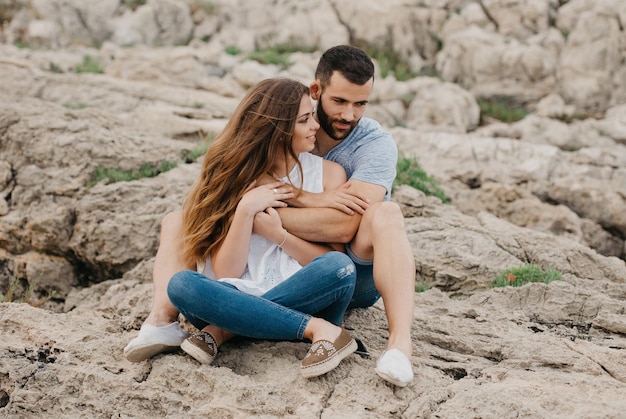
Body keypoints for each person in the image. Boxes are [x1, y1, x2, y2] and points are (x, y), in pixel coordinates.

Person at [124, 45, 416, 387]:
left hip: (344, 272)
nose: (349, 116)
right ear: (316, 92)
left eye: (361, 104)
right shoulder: (258, 153)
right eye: (339, 102)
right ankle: (163, 320)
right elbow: (223, 268)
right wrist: (245, 212)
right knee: (180, 252)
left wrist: (274, 216)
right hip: (253, 279)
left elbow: (346, 224)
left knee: (378, 223)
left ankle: (399, 345)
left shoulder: (360, 152)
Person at [164, 77, 359, 378]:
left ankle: (225, 331)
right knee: (181, 285)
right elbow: (227, 273)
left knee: (340, 267)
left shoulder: (329, 174)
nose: (315, 127)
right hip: (237, 293)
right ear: (278, 130)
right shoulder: (235, 181)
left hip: (307, 295)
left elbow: (331, 261)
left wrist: (278, 235)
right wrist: (244, 211)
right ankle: (318, 329)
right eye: (305, 120)